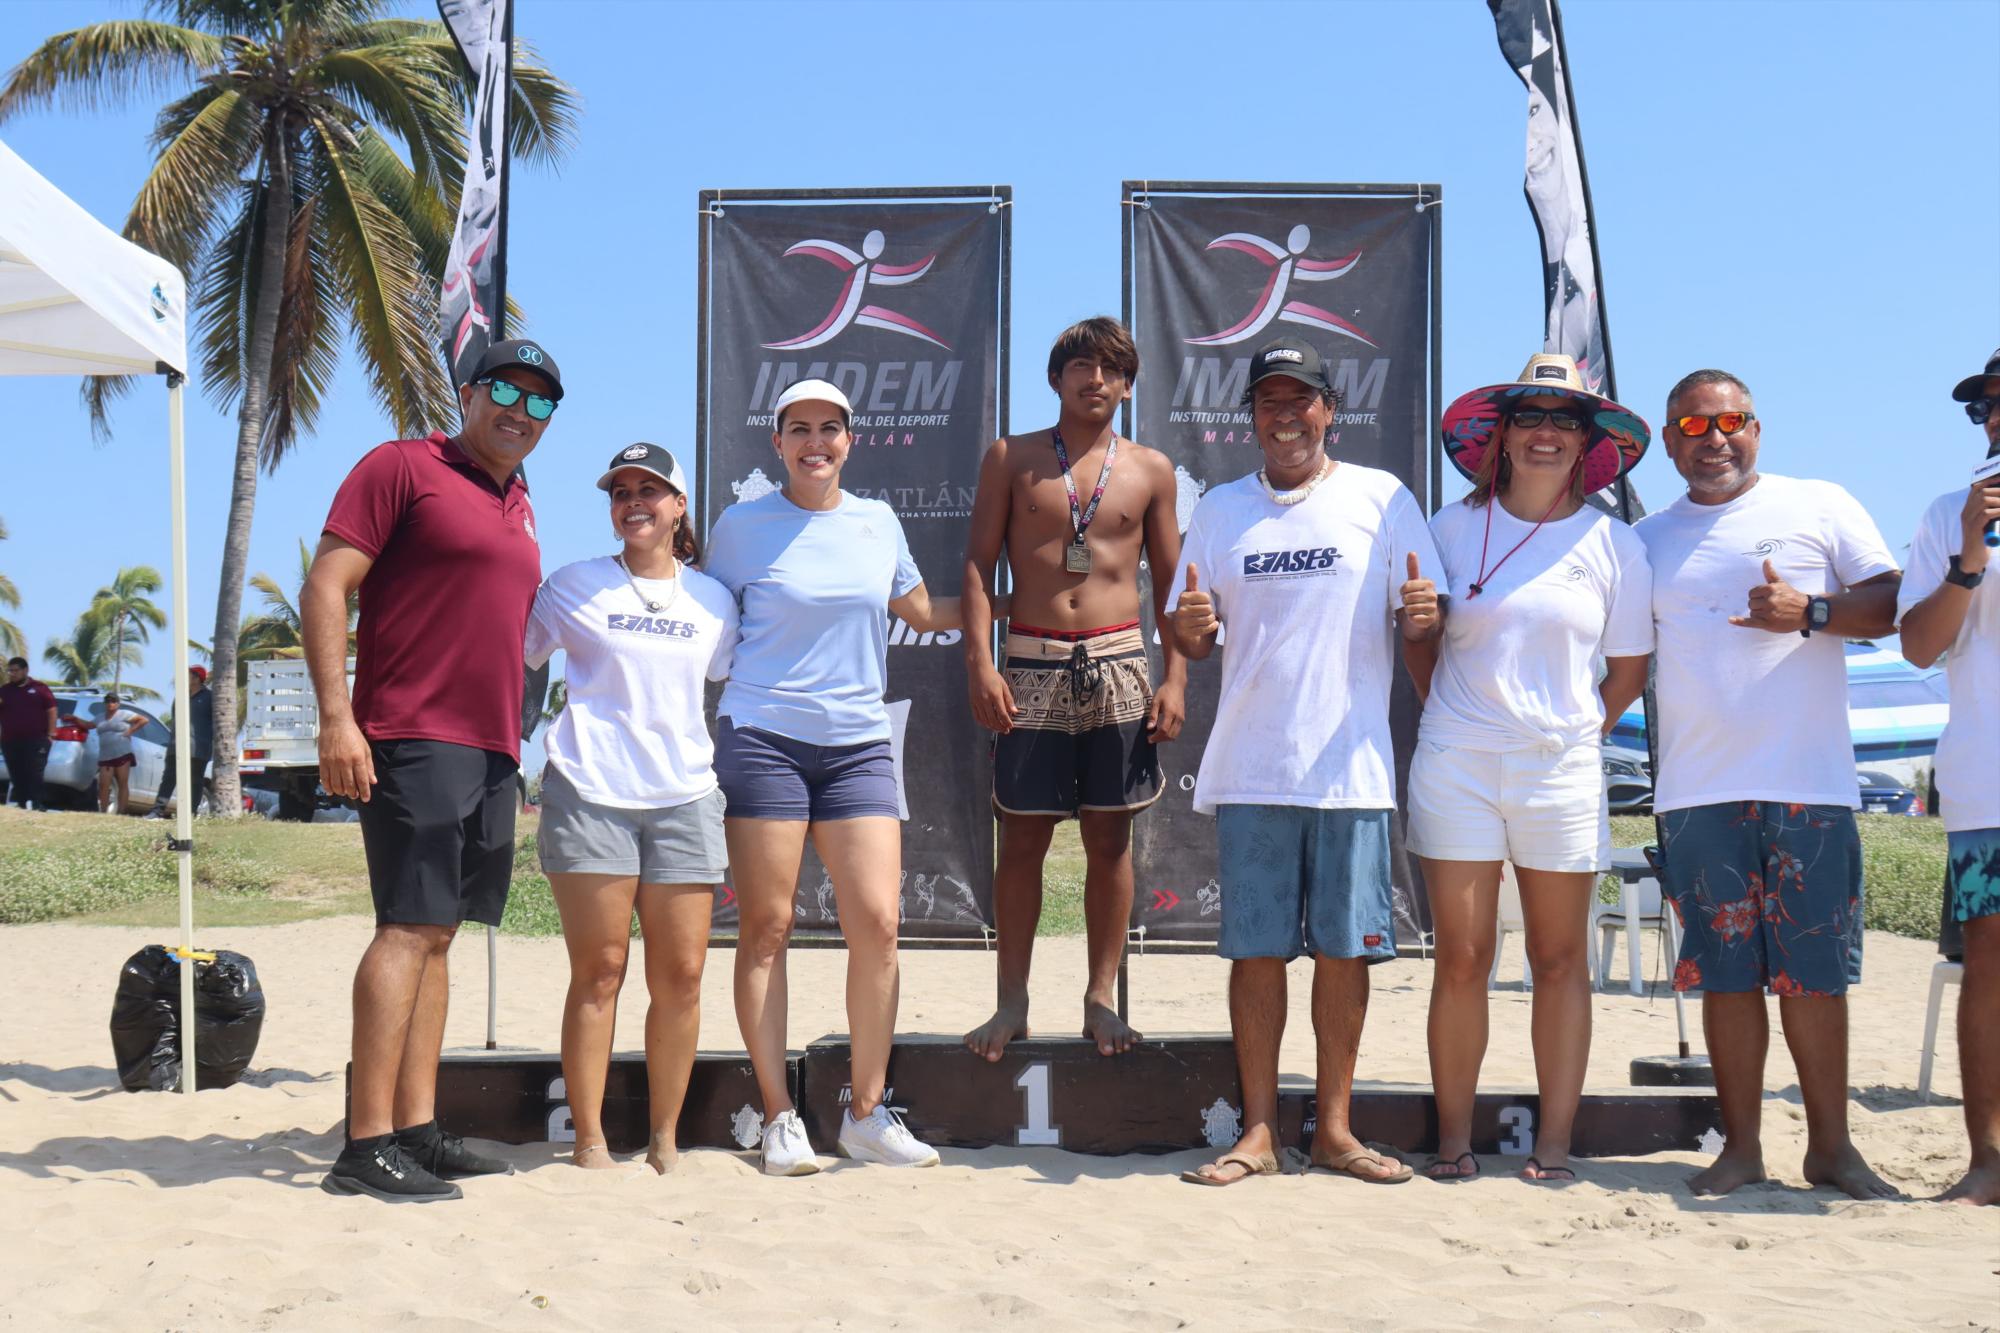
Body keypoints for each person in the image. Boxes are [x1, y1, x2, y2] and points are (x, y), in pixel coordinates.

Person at [1167, 336, 1440, 1186]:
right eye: (1269, 403)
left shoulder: (1383, 497)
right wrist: (1190, 633)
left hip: (1350, 769)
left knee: (1344, 953)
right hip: (1254, 765)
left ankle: (1334, 1129)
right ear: (1251, 416)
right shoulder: (1218, 509)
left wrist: (1425, 617)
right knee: (1255, 954)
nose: (1286, 417)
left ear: (1331, 409)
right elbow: (1191, 627)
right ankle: (1257, 1131)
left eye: (1302, 400)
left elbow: (1423, 614)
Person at [304, 338, 561, 1202]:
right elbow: (327, 585)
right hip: (412, 734)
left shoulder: (519, 501)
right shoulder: (400, 466)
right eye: (505, 392)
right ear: (467, 391)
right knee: (406, 926)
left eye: (540, 403)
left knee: (443, 932)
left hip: (491, 747)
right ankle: (363, 1142)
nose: (520, 413)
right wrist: (337, 717)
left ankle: (416, 1126)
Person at [1635, 368, 1902, 1200]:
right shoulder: (1644, 541)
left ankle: (1832, 1149)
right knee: (1725, 973)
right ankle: (1743, 1147)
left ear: (1758, 428)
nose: (1715, 437)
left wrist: (1812, 612)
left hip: (1809, 786)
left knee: (1814, 974)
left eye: (1733, 420)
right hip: (1696, 791)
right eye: (1693, 423)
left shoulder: (1820, 503)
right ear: (1670, 439)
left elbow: (1892, 603)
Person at [707, 377, 975, 1176]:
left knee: (879, 926)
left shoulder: (878, 523)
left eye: (829, 429)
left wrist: (1023, 600)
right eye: (799, 429)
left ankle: (865, 1113)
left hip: (859, 743)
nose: (814, 442)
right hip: (764, 738)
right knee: (767, 927)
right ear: (777, 442)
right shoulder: (740, 526)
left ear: (850, 441)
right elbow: (707, 622)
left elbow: (924, 613)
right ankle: (781, 1116)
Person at [1410, 355, 1653, 1182]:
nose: (1546, 433)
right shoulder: (1445, 528)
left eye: (1566, 420)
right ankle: (1452, 1144)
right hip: (1457, 762)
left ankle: (1554, 1145)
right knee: (1462, 957)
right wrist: (1455, 717)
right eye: (1530, 416)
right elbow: (1422, 649)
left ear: (1587, 442)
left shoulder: (1615, 542)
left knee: (1558, 959)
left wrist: (1572, 730)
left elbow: (1626, 671)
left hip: (1561, 769)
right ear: (1501, 434)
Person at [960, 316, 1187, 1061]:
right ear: (1055, 378)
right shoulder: (1012, 457)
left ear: (1129, 383)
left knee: (1110, 837)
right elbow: (976, 565)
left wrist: (1176, 675)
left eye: (1113, 370)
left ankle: (1100, 997)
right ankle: (1012, 999)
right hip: (1030, 661)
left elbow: (1173, 586)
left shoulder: (1151, 468)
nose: (1097, 380)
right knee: (1021, 836)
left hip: (1120, 660)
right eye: (1082, 367)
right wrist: (981, 664)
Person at [525, 443, 738, 1175]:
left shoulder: (713, 599)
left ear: (679, 507)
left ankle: (664, 1138)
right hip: (589, 795)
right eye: (621, 491)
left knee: (680, 977)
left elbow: (733, 679)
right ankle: (589, 1140)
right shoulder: (572, 586)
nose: (634, 501)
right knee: (601, 971)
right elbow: (512, 659)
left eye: (652, 490)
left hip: (684, 798)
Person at [1897, 347, 2000, 1206]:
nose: (1996, 415)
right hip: (1987, 783)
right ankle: (1989, 1161)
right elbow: (1921, 645)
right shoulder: (1946, 514)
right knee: (1991, 973)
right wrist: (1970, 553)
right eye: (1985, 406)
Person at [150, 666, 214, 818]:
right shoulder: (179, 696)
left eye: (188, 675)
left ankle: (189, 814)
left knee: (195, 782)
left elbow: (215, 722)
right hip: (176, 746)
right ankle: (157, 812)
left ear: (197, 678)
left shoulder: (209, 697)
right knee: (168, 779)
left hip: (198, 748)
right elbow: (175, 720)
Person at [70, 692, 145, 814]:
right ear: (105, 703)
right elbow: (88, 725)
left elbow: (143, 720)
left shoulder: (124, 714)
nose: (111, 704)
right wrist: (75, 719)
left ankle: (121, 811)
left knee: (122, 782)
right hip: (106, 755)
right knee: (104, 784)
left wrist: (131, 731)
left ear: (118, 703)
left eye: (113, 701)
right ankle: (103, 811)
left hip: (122, 753)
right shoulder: (100, 717)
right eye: (108, 701)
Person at [0, 656, 57, 810]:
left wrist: (51, 734)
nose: (12, 674)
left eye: (15, 670)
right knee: (16, 772)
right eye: (10, 671)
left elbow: (51, 710)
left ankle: (38, 803)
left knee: (35, 772)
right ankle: (21, 802)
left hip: (37, 739)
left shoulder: (40, 688)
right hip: (10, 740)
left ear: (25, 670)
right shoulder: (5, 691)